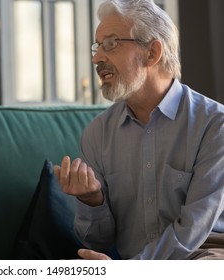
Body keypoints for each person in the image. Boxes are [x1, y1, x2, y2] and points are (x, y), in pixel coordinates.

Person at [54, 0, 224, 260]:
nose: (97, 57)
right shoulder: (97, 134)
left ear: (152, 53)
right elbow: (97, 241)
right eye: (97, 46)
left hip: (206, 256)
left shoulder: (215, 125)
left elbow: (194, 228)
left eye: (111, 43)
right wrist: (92, 200)